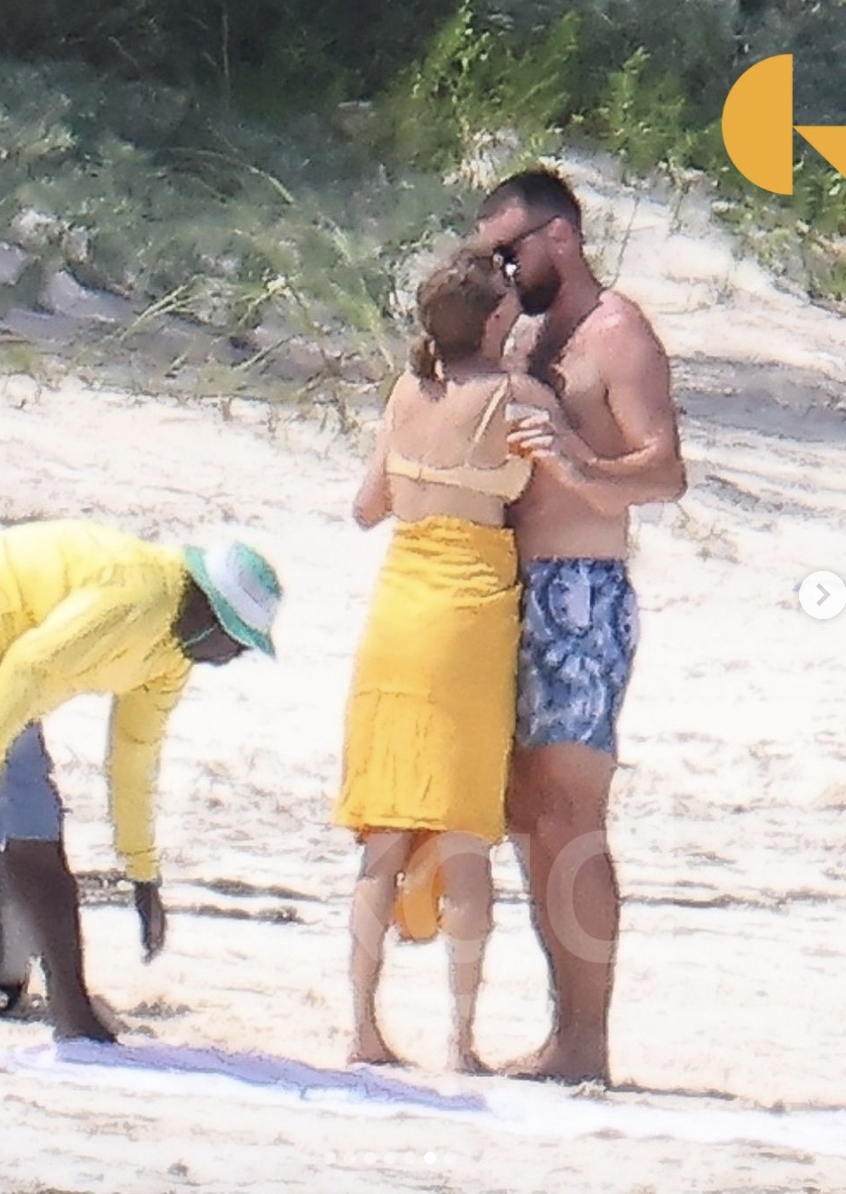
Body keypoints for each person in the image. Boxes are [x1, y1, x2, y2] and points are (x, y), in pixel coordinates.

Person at [0, 518, 282, 1053]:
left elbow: (134, 755)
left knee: (39, 843)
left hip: (4, 670)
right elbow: (31, 664)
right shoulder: (138, 598)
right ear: (209, 616)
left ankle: (74, 1016)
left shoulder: (173, 654)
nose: (234, 657)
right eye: (237, 642)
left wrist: (142, 870)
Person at [475, 167, 687, 1084]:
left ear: (560, 236)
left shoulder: (617, 332)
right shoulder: (527, 335)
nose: (499, 264)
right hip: (514, 591)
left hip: (580, 595)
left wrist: (578, 467)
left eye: (508, 247)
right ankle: (567, 1031)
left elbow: (666, 472)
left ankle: (588, 1042)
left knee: (569, 817)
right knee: (526, 816)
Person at [334, 247, 536, 1075]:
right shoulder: (513, 398)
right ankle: (460, 1039)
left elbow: (365, 508)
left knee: (383, 831)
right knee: (463, 832)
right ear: (492, 320)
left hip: (397, 612)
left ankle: (362, 1028)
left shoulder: (407, 391)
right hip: (466, 614)